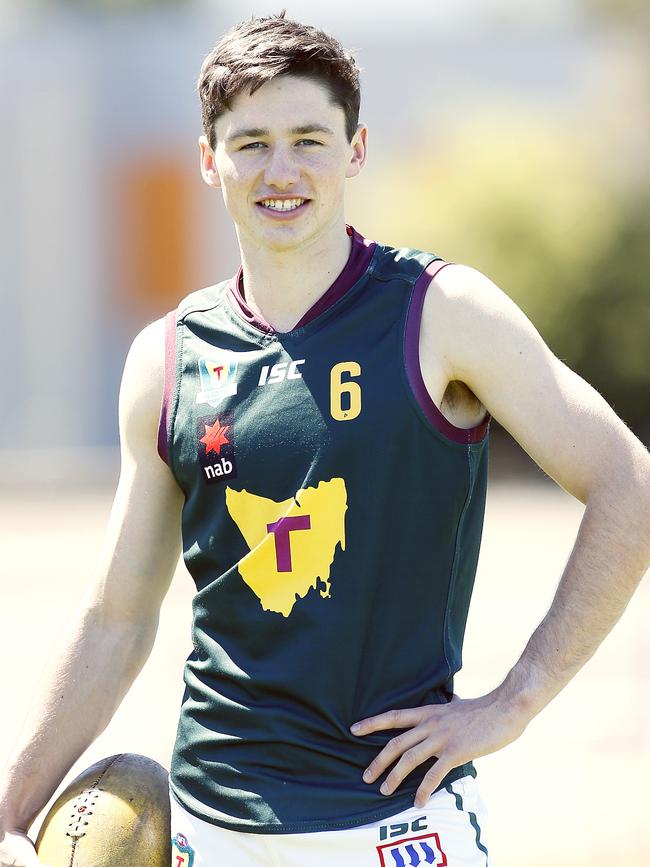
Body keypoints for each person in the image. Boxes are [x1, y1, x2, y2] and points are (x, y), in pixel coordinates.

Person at [1, 10, 649, 867]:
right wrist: (11, 811)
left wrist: (515, 699)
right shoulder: (168, 358)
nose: (281, 170)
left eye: (309, 138)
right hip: (207, 827)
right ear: (209, 159)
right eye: (250, 142)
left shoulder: (440, 313)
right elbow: (117, 617)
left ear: (356, 149)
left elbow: (627, 481)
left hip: (395, 825)